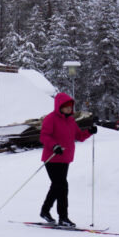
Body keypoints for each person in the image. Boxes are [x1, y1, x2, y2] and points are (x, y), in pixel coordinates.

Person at [38, 92, 97, 226]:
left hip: (65, 159)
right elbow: (44, 136)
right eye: (66, 106)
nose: (69, 109)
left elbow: (79, 136)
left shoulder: (70, 120)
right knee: (62, 186)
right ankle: (63, 217)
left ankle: (45, 211)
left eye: (70, 106)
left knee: (56, 186)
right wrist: (54, 146)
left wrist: (89, 131)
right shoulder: (50, 118)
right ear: (59, 106)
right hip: (52, 158)